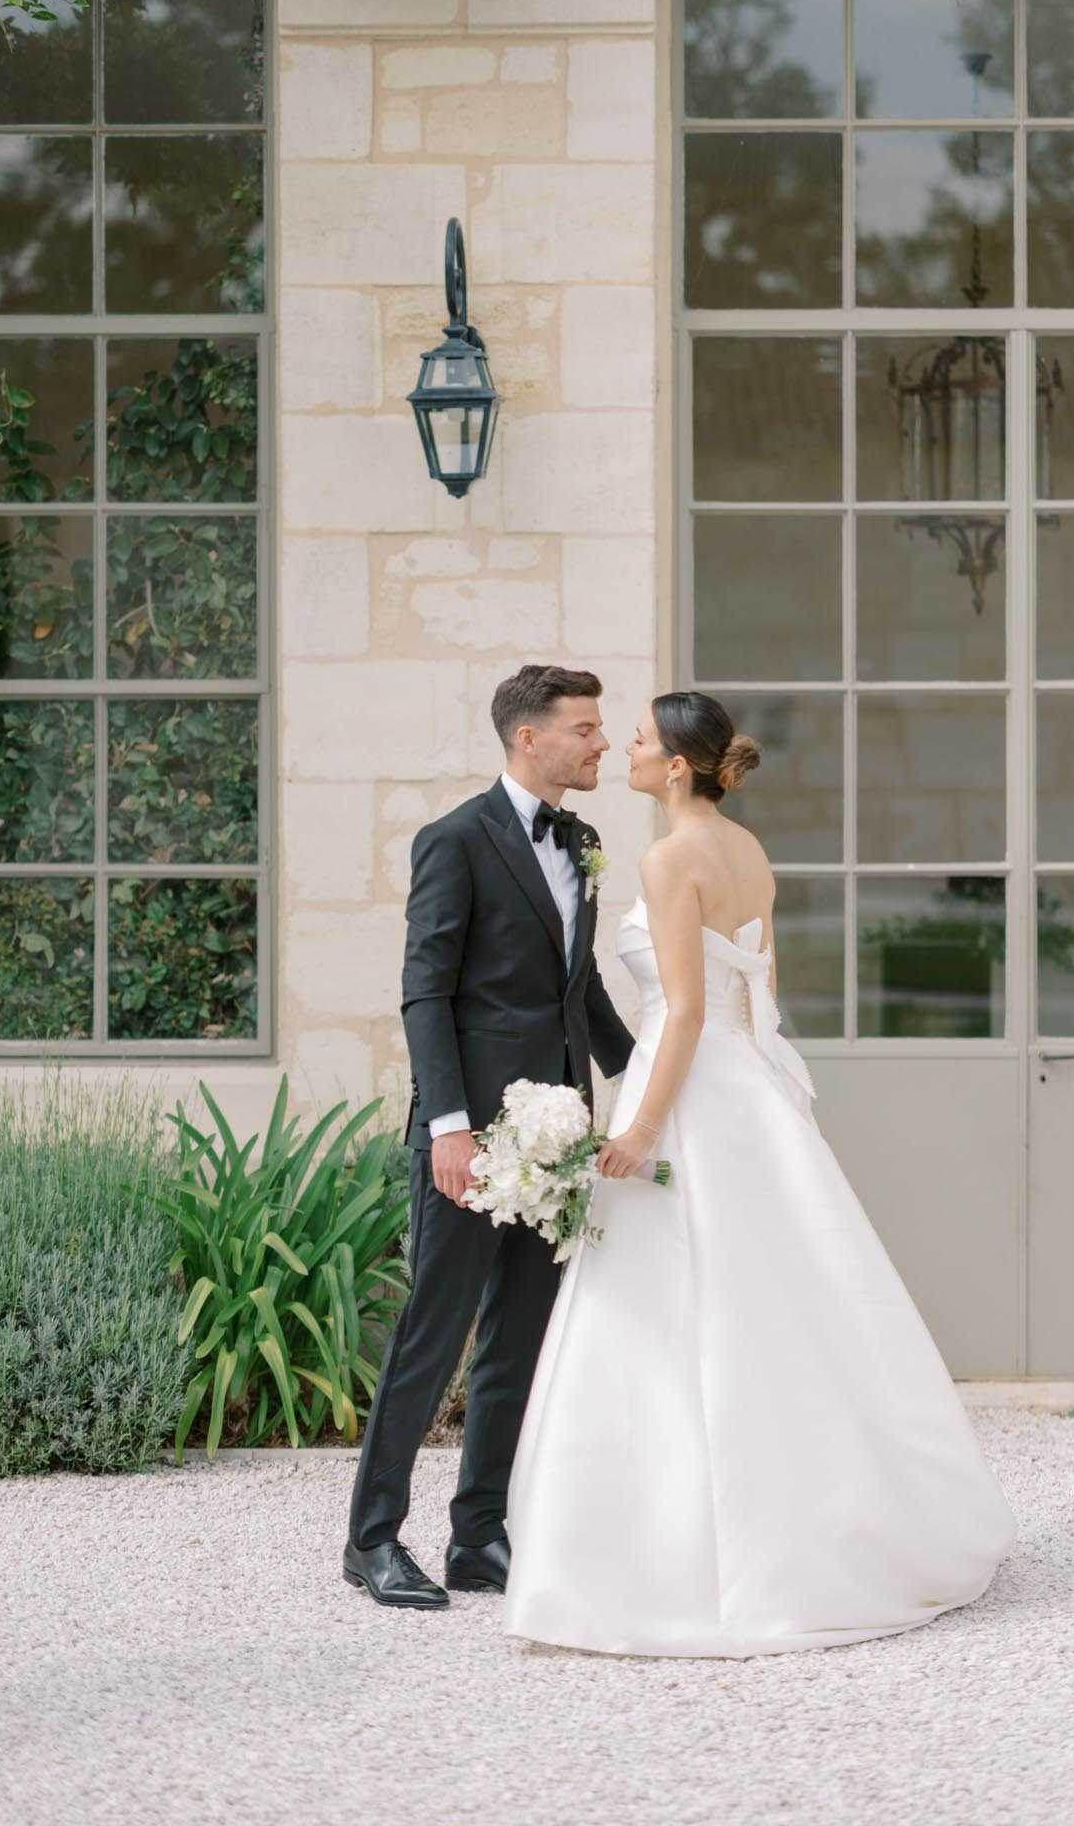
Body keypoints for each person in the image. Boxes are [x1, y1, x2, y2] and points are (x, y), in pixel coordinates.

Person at [501, 689, 1019, 1657]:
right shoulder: (746, 850)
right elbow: (758, 989)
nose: (627, 752)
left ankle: (662, 1556)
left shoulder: (667, 857)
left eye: (644, 742)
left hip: (692, 1089)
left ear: (680, 766)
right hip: (750, 1084)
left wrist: (642, 1129)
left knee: (675, 1309)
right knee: (783, 1297)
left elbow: (686, 1010)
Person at [343, 664, 635, 1610]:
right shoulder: (455, 841)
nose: (600, 744)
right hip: (469, 1138)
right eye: (585, 729)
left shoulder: (582, 840)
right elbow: (424, 991)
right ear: (529, 739)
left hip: (556, 1134)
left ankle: (480, 1536)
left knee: (519, 1337)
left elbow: (574, 986)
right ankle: (373, 1540)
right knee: (431, 1336)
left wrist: (648, 1071)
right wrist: (449, 1129)